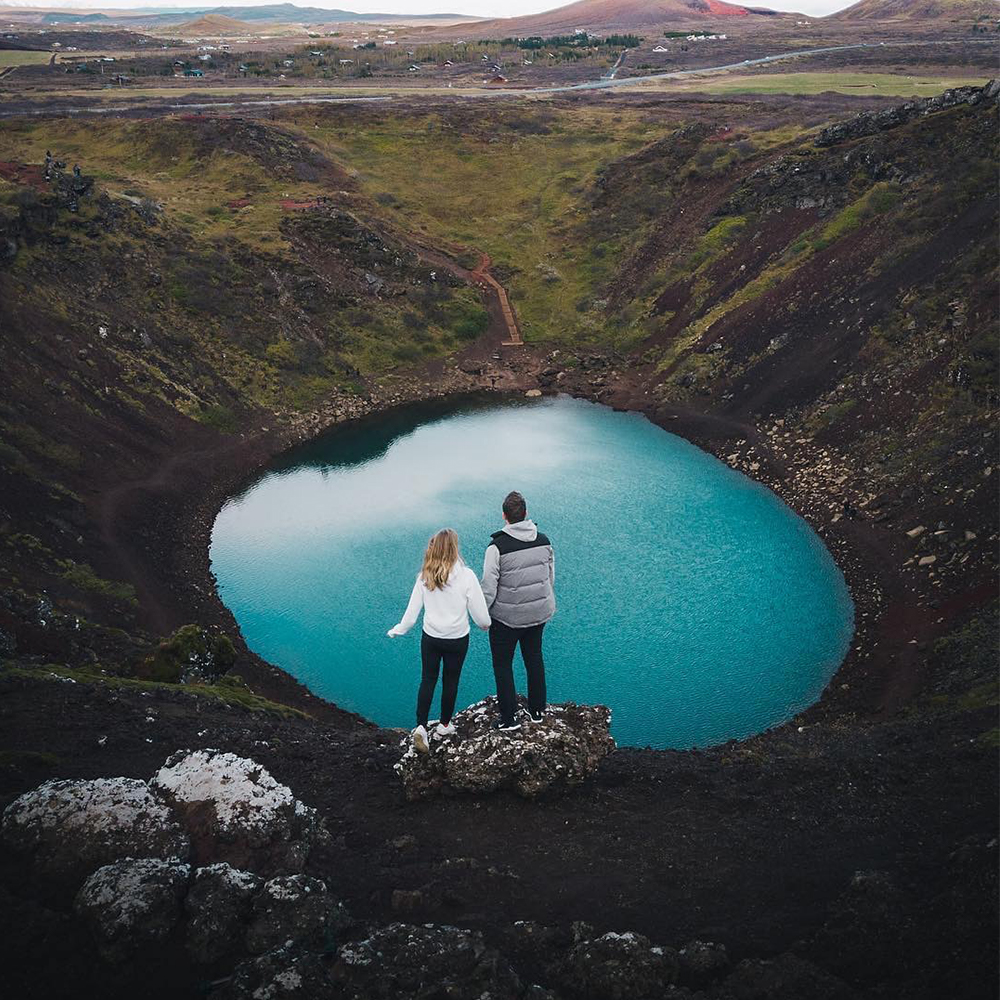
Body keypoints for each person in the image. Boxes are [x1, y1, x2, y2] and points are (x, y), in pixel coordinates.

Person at [388, 528, 491, 754]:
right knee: (450, 681)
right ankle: (445, 725)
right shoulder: (467, 576)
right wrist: (486, 626)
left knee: (428, 679)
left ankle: (421, 726)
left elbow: (411, 614)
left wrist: (398, 630)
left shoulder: (424, 576)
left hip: (431, 638)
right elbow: (481, 617)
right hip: (457, 639)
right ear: (455, 549)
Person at [481, 491, 555, 731]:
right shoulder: (544, 541)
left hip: (507, 619)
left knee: (503, 665)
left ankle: (509, 719)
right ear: (526, 514)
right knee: (534, 659)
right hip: (538, 614)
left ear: (504, 516)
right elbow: (549, 579)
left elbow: (489, 588)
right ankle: (536, 712)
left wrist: (484, 615)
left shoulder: (496, 547)